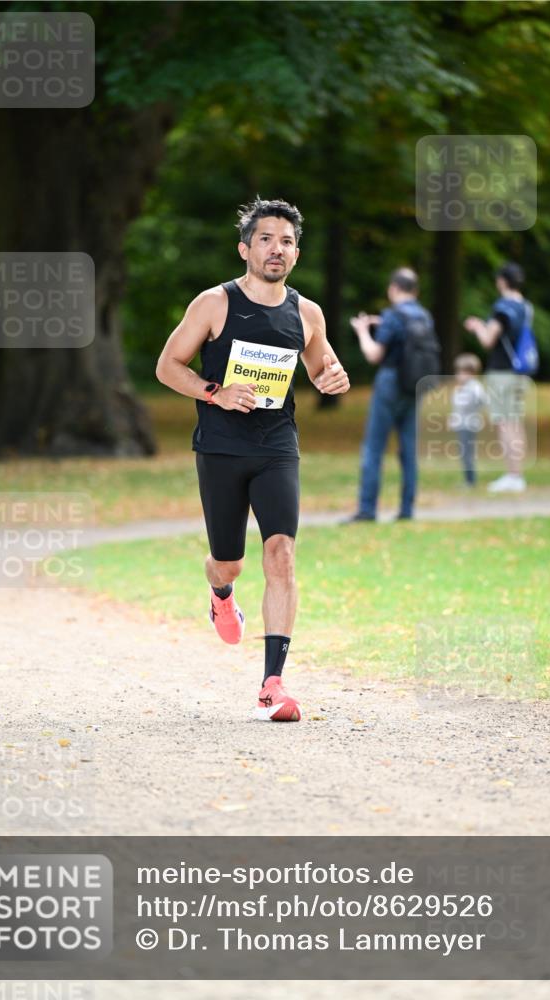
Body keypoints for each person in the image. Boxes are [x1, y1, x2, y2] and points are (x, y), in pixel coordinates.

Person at [155, 197, 350, 722]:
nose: (276, 249)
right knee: (231, 560)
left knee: (281, 552)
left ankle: (273, 684)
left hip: (276, 447)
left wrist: (334, 377)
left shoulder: (307, 313)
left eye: (286, 241)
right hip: (220, 447)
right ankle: (220, 591)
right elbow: (167, 366)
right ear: (245, 248)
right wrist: (215, 391)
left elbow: (322, 366)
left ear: (296, 253)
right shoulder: (214, 303)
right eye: (265, 239)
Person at [345, 268, 434, 522]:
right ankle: (407, 509)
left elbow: (375, 354)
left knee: (374, 447)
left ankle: (367, 509)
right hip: (415, 384)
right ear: (415, 291)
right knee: (408, 448)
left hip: (391, 382)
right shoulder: (425, 316)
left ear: (393, 289)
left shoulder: (394, 315)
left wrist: (363, 330)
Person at [464, 262, 532, 492]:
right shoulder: (525, 306)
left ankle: (513, 476)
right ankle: (518, 474)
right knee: (516, 421)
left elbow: (488, 340)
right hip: (520, 372)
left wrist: (477, 326)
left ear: (502, 281)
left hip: (502, 371)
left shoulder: (503, 307)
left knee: (504, 423)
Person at [448, 353, 487, 487]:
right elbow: (457, 407)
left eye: (463, 372)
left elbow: (481, 400)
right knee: (463, 453)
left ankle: (470, 481)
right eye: (458, 371)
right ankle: (468, 479)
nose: (459, 375)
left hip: (469, 425)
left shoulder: (474, 387)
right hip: (461, 425)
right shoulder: (461, 388)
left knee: (467, 454)